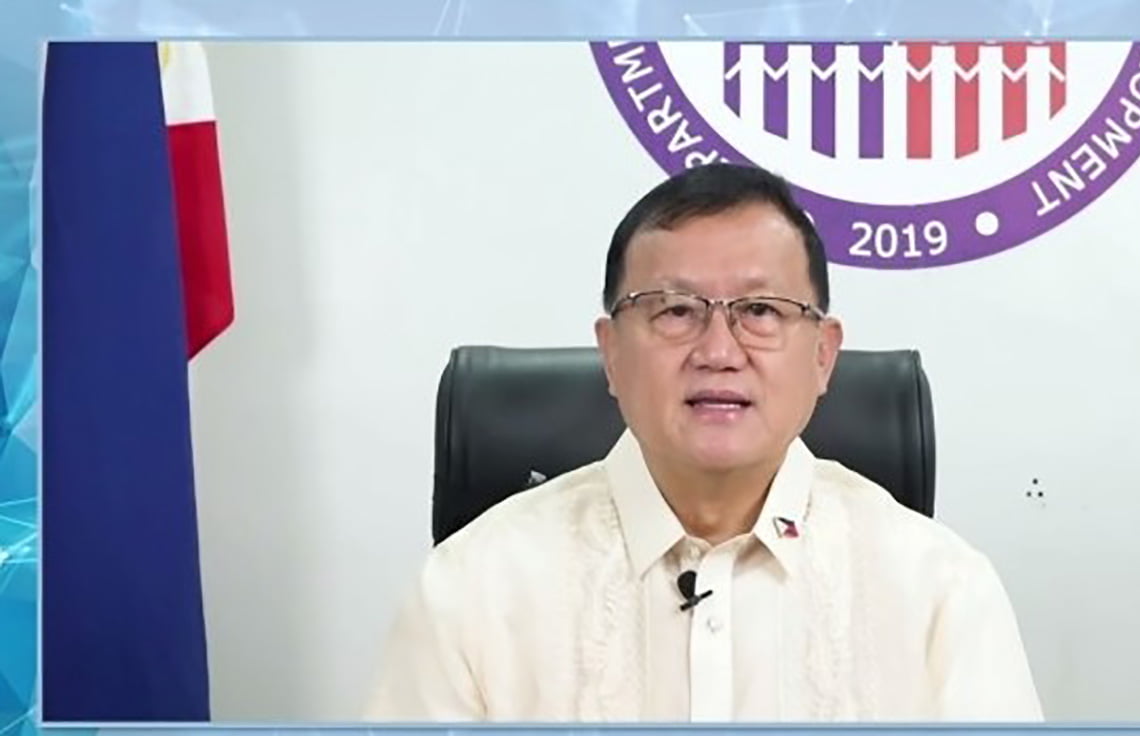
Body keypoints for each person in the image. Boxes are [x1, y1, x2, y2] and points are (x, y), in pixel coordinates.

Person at [364, 163, 1043, 722]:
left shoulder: (940, 592)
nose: (719, 351)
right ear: (611, 353)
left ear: (823, 356)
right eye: (676, 311)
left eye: (761, 311)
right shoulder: (472, 589)